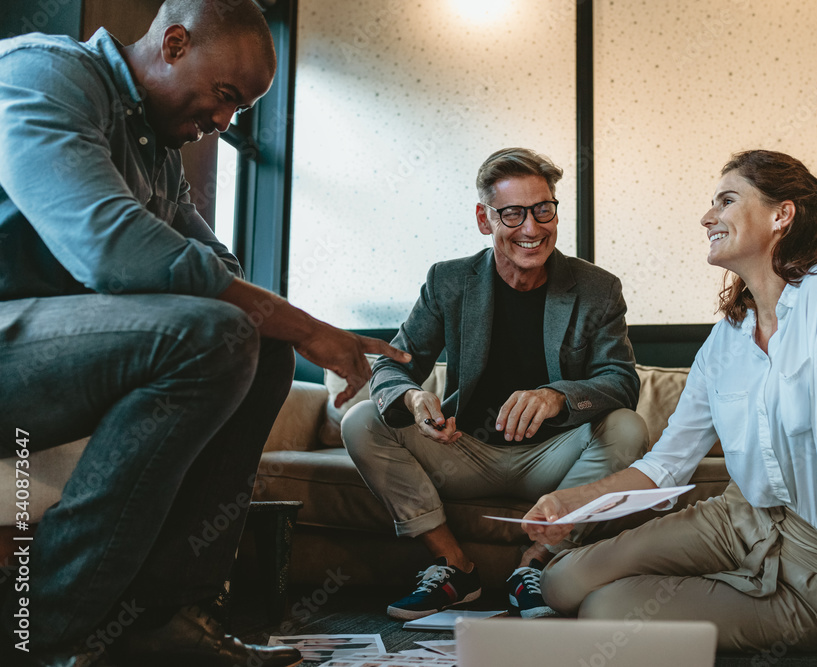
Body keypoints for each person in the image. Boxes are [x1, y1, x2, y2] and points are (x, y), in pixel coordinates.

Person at [0, 2, 407, 665]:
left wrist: (294, 328)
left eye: (236, 112)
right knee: (216, 332)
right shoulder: (44, 76)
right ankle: (40, 628)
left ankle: (168, 618)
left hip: (48, 357)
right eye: (224, 97)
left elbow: (220, 268)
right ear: (175, 43)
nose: (222, 122)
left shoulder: (153, 150)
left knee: (259, 338)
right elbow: (111, 247)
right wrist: (310, 327)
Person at [523, 150, 817, 666]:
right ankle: (732, 586)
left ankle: (752, 596)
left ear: (781, 215)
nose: (708, 217)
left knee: (604, 610)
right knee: (560, 582)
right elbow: (665, 465)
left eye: (726, 201)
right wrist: (572, 501)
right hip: (738, 517)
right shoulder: (728, 335)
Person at [341, 147, 648, 621]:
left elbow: (621, 381)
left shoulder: (596, 288)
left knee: (628, 427)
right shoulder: (449, 280)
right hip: (464, 448)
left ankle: (534, 566)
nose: (532, 228)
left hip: (555, 455)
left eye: (544, 209)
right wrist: (412, 395)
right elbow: (392, 364)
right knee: (362, 419)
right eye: (513, 213)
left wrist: (556, 396)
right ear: (485, 220)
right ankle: (454, 567)